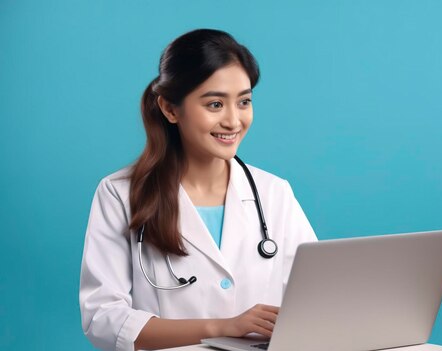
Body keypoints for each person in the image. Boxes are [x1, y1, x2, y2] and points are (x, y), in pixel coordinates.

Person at [79, 29, 317, 351]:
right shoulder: (120, 194)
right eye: (215, 104)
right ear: (170, 109)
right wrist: (222, 327)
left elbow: (316, 298)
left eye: (244, 102)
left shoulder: (274, 193)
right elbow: (103, 318)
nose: (234, 121)